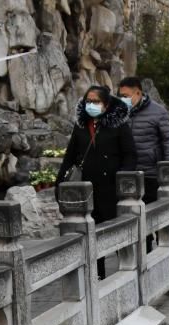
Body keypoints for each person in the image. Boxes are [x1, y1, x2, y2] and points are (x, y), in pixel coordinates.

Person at [56, 85, 136, 278]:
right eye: (88, 101)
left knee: (116, 231)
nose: (91, 105)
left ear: (106, 104)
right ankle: (96, 274)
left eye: (95, 101)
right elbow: (70, 156)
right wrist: (60, 182)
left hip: (111, 189)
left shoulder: (119, 125)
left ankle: (128, 271)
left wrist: (122, 178)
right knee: (91, 233)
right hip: (87, 188)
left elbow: (130, 155)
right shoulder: (81, 125)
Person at [117, 76, 169, 214]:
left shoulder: (158, 111)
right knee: (128, 215)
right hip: (127, 173)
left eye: (125, 96)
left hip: (150, 173)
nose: (122, 99)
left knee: (151, 214)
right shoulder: (119, 113)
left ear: (138, 93)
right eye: (121, 96)